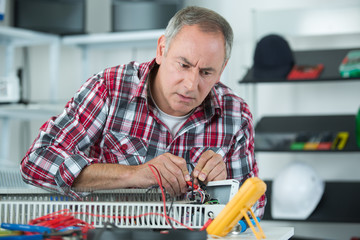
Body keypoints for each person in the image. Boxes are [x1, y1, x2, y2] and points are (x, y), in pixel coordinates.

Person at [20, 6, 265, 217]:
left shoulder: (236, 114)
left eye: (206, 72)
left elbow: (254, 209)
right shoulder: (109, 88)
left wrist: (224, 189)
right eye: (184, 64)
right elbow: (36, 162)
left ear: (222, 69)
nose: (191, 85)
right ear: (161, 50)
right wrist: (134, 175)